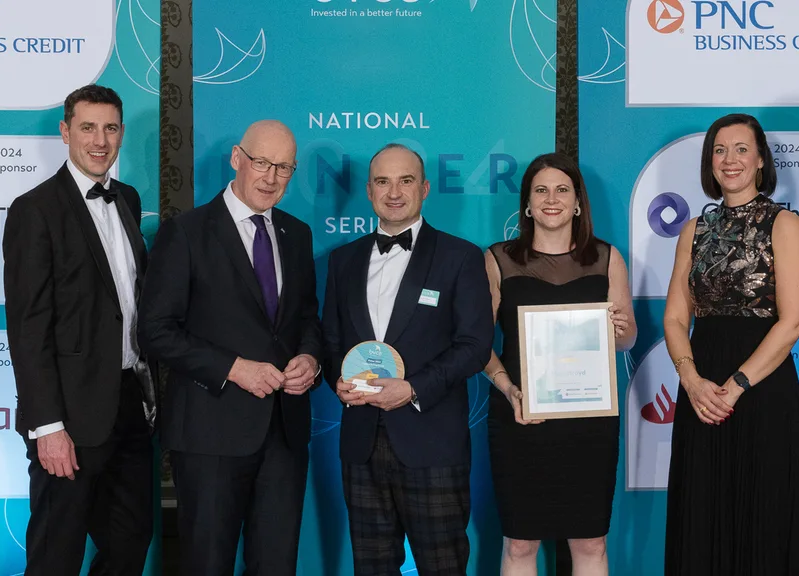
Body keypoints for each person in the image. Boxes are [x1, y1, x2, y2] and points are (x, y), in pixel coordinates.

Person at [139, 120, 322, 575]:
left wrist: (311, 359)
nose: (271, 177)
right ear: (237, 158)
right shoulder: (186, 233)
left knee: (276, 564)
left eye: (284, 167)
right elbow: (155, 331)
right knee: (208, 564)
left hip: (284, 434)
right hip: (209, 436)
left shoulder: (296, 235)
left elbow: (306, 319)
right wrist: (233, 367)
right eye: (262, 162)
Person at [2, 84, 156, 575]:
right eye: (88, 127)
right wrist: (47, 427)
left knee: (131, 541)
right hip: (68, 414)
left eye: (110, 128)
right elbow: (28, 328)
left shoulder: (127, 198)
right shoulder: (35, 210)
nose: (100, 140)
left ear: (122, 134)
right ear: (65, 131)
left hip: (130, 402)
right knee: (57, 550)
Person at [321, 143, 493, 576]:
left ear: (425, 188)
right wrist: (338, 382)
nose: (394, 192)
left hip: (431, 442)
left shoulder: (461, 257)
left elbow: (474, 345)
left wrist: (414, 388)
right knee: (372, 567)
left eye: (405, 180)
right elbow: (331, 340)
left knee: (442, 566)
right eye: (383, 181)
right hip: (360, 443)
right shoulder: (342, 261)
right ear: (368, 190)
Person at [661, 113, 799, 574]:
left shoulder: (783, 224)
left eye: (742, 149)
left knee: (762, 516)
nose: (730, 160)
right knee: (702, 513)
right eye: (720, 150)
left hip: (761, 388)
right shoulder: (694, 230)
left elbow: (794, 321)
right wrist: (691, 381)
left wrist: (738, 385)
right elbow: (673, 317)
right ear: (710, 163)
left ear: (762, 160)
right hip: (702, 390)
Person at [481, 152, 637, 576]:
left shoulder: (607, 258)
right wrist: (508, 387)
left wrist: (618, 328)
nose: (552, 199)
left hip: (589, 418)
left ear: (578, 202)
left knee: (590, 541)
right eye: (542, 190)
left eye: (562, 190)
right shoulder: (498, 260)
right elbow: (476, 344)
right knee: (519, 544)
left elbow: (628, 339)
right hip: (521, 415)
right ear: (528, 204)